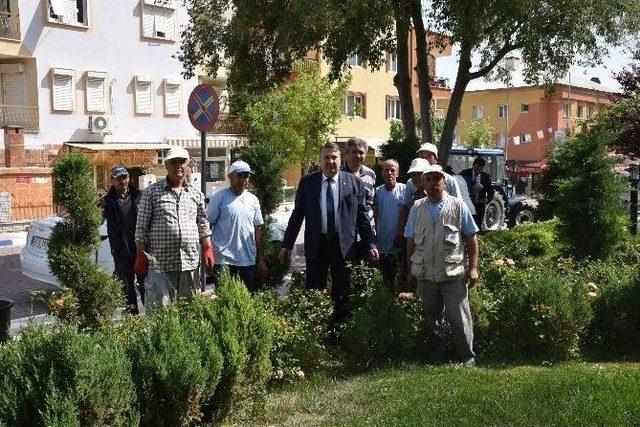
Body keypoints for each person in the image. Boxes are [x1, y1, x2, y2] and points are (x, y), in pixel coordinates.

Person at [279, 142, 379, 322]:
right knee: (314, 292)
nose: (330, 161)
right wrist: (287, 244)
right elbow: (297, 215)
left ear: (341, 160)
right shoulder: (308, 183)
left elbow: (362, 216)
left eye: (334, 157)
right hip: (317, 245)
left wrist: (370, 243)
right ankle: (315, 330)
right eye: (326, 157)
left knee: (342, 294)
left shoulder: (354, 182)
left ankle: (338, 332)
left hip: (344, 247)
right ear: (320, 160)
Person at [405, 164, 479, 366]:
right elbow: (410, 240)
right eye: (428, 179)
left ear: (444, 182)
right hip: (426, 275)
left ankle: (467, 357)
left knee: (459, 319)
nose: (432, 183)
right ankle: (437, 356)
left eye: (436, 179)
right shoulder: (417, 207)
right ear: (423, 183)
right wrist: (411, 269)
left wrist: (473, 268)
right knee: (431, 320)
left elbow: (471, 239)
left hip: (452, 275)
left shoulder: (458, 205)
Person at [134, 147, 214, 308]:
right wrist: (141, 255)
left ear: (189, 165)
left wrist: (207, 248)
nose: (178, 166)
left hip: (189, 264)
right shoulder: (151, 193)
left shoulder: (196, 194)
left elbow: (203, 223)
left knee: (189, 312)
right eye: (173, 162)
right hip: (161, 265)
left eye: (182, 162)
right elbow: (141, 227)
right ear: (166, 166)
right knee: (161, 314)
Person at [207, 160, 267, 292]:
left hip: (247, 260)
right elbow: (207, 223)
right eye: (239, 175)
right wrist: (208, 252)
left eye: (246, 176)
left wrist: (261, 259)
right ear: (230, 176)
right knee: (225, 302)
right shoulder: (219, 198)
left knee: (246, 301)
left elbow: (258, 229)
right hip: (224, 260)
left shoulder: (253, 200)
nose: (243, 179)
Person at [103, 165, 143, 314]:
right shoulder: (107, 201)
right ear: (112, 181)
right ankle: (133, 318)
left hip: (140, 248)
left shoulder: (139, 196)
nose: (123, 181)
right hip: (121, 250)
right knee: (127, 286)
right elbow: (96, 219)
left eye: (124, 177)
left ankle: (151, 316)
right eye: (118, 178)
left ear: (129, 178)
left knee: (145, 283)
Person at [342, 137, 377, 257]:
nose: (358, 155)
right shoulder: (339, 175)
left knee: (367, 271)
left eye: (361, 152)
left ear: (366, 154)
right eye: (354, 152)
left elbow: (371, 204)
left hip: (368, 232)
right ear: (346, 154)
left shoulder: (370, 174)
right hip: (347, 233)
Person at [374, 159, 405, 285]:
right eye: (386, 170)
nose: (389, 173)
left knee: (400, 280)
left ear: (397, 173)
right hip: (381, 246)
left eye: (392, 170)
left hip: (399, 246)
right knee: (385, 281)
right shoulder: (377, 192)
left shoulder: (405, 190)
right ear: (382, 173)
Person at [460, 157, 494, 229]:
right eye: (476, 169)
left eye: (480, 170)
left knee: (477, 226)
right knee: (465, 225)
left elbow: (491, 192)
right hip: (466, 204)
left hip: (479, 205)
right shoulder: (465, 173)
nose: (477, 171)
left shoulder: (486, 177)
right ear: (473, 166)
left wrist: (487, 200)